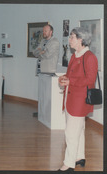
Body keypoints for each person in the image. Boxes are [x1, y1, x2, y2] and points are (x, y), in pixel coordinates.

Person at [58, 27, 98, 172]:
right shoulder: (75, 55)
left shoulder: (90, 57)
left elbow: (90, 80)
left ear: (81, 40)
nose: (70, 40)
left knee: (71, 133)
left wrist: (71, 81)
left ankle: (68, 164)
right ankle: (79, 157)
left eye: (72, 37)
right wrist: (63, 79)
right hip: (71, 98)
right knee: (78, 130)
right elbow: (70, 75)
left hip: (79, 101)